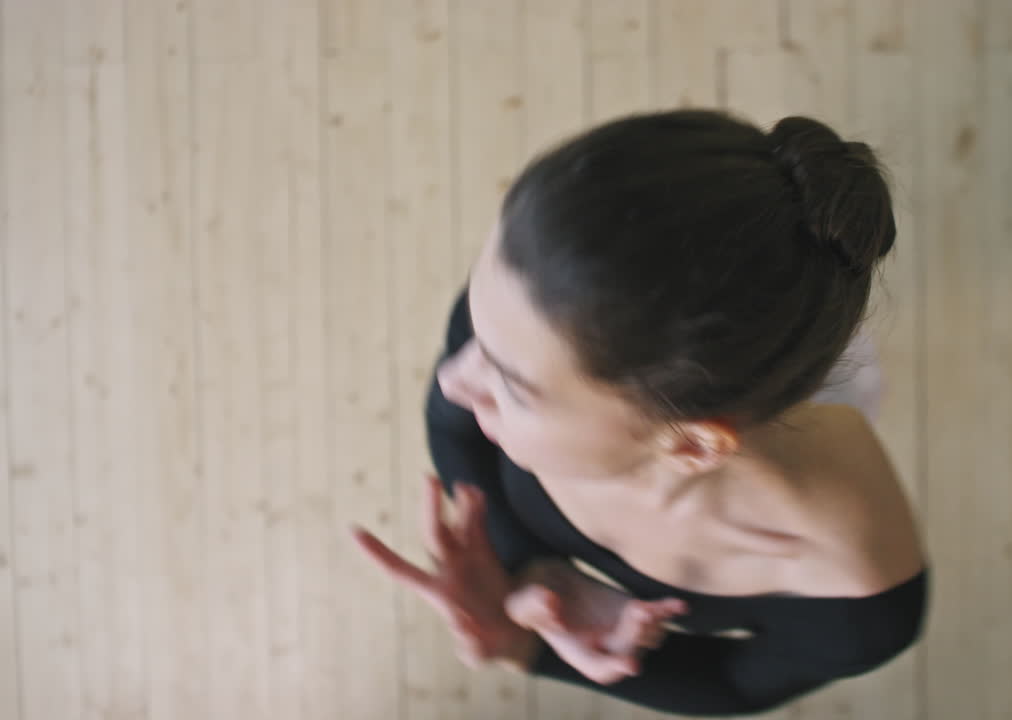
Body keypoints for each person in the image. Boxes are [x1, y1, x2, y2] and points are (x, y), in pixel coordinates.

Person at [352, 109, 929, 717]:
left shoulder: (855, 593)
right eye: (479, 319)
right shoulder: (536, 310)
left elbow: (734, 684)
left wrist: (526, 646)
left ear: (691, 447)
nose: (453, 378)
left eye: (513, 388)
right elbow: (454, 430)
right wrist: (529, 576)